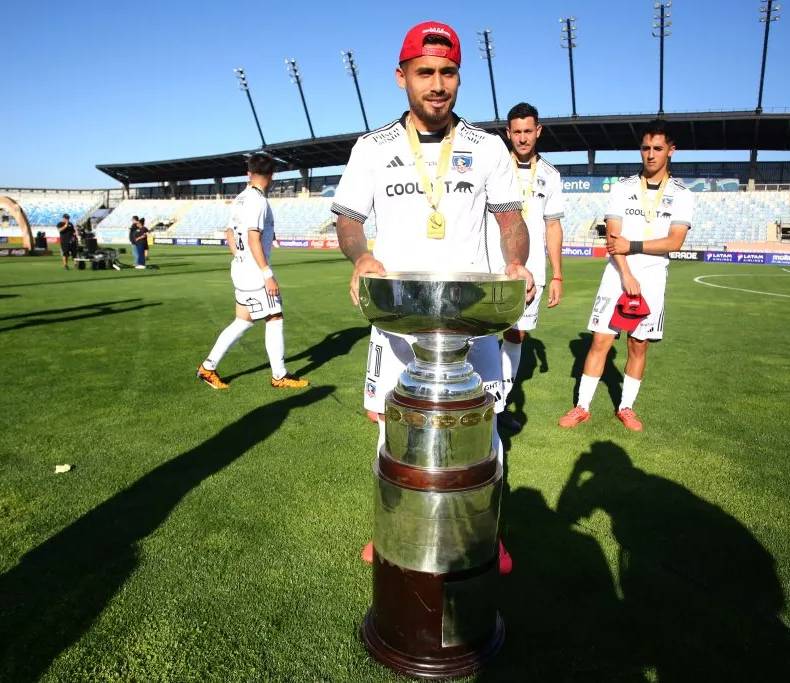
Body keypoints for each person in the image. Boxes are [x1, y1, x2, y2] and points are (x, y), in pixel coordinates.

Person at [331, 20, 533, 571]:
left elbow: (511, 219)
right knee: (390, 428)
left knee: (486, 426)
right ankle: (391, 526)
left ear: (458, 78)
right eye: (425, 73)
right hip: (399, 320)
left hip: (471, 321)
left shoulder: (486, 147)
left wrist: (515, 261)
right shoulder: (372, 148)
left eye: (447, 73)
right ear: (402, 78)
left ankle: (483, 532)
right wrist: (362, 256)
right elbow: (349, 221)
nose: (437, 84)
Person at [558, 120, 694, 431]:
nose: (650, 154)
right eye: (645, 148)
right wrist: (627, 273)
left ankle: (626, 407)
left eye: (658, 148)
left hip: (654, 279)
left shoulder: (683, 194)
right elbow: (612, 240)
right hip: (617, 274)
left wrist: (631, 246)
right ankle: (582, 406)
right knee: (601, 341)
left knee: (638, 344)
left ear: (671, 151)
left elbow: (674, 241)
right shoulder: (621, 188)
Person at [197, 152, 308, 391]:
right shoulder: (257, 201)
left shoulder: (240, 199)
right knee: (275, 317)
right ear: (272, 175)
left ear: (248, 173)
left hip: (240, 268)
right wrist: (267, 274)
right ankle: (279, 376)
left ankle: (208, 367)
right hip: (255, 273)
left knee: (242, 322)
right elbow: (253, 238)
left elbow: (229, 233)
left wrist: (239, 257)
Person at [485, 102, 565, 433]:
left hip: (531, 272)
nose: (522, 138)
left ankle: (499, 405)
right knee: (481, 334)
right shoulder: (493, 165)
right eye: (516, 132)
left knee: (516, 336)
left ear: (538, 131)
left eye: (527, 131)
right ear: (508, 133)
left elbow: (553, 227)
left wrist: (557, 273)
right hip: (491, 265)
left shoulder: (550, 175)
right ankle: (472, 400)